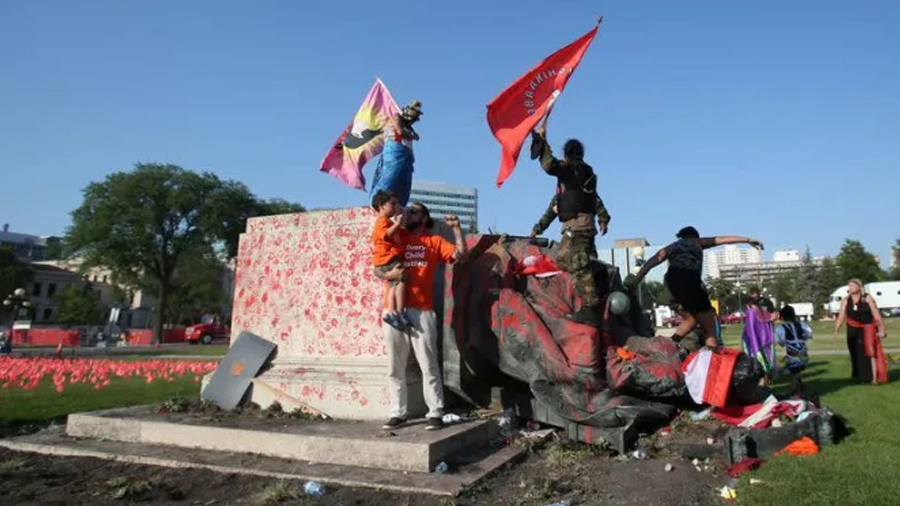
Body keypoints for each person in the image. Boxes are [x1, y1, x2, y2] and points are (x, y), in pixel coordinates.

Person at [373, 202, 468, 430]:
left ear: (425, 218)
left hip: (422, 311)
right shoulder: (396, 236)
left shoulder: (434, 241)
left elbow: (460, 255)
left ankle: (435, 411)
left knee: (428, 363)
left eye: (414, 211)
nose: (408, 213)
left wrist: (456, 229)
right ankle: (398, 412)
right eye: (407, 210)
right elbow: (377, 267)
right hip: (393, 309)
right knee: (395, 366)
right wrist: (389, 273)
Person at [625, 227, 763, 349]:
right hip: (690, 283)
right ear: (695, 236)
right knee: (709, 325)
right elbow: (722, 239)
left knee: (690, 319)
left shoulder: (672, 247)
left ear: (681, 236)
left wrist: (635, 282)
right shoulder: (697, 242)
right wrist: (748, 239)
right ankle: (712, 361)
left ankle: (671, 345)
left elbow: (652, 262)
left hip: (671, 287)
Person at [530, 114, 609, 326]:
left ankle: (591, 307)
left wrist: (542, 141)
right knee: (564, 259)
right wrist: (538, 228)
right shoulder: (579, 179)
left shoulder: (574, 170)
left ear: (567, 155)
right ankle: (597, 271)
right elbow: (557, 207)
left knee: (578, 265)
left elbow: (548, 165)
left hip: (578, 227)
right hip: (578, 226)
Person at [833, 279, 888, 384]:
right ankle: (857, 375)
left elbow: (876, 314)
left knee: (867, 351)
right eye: (849, 286)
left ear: (859, 287)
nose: (850, 288)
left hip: (867, 327)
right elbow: (841, 316)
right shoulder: (846, 300)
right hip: (852, 328)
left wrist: (882, 328)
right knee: (854, 351)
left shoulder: (867, 298)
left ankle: (869, 376)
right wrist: (837, 329)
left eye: (853, 285)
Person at [370, 101, 423, 207]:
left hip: (406, 157)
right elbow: (400, 132)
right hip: (394, 153)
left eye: (414, 119)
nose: (411, 121)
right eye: (411, 117)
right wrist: (411, 135)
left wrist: (410, 134)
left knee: (403, 186)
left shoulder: (408, 126)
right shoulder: (396, 117)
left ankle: (399, 207)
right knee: (388, 180)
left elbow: (416, 136)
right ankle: (379, 204)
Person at [370, 189, 410, 330]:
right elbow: (387, 235)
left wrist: (400, 220)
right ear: (381, 206)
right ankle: (399, 311)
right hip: (388, 258)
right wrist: (397, 224)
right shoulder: (382, 221)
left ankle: (392, 313)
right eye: (392, 204)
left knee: (394, 286)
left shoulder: (386, 221)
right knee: (401, 281)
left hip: (386, 259)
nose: (395, 207)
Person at [529, 192, 612, 257]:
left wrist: (603, 221)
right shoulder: (560, 196)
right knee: (568, 260)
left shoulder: (587, 192)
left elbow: (598, 205)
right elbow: (549, 215)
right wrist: (536, 230)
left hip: (584, 232)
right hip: (572, 232)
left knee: (588, 260)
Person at [743, 288, 778, 384]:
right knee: (766, 358)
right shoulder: (764, 313)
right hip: (766, 339)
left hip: (756, 341)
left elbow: (751, 330)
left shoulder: (751, 313)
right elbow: (774, 316)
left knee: (758, 359)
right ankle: (766, 378)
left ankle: (762, 380)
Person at [776, 304, 813, 391]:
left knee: (794, 371)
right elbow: (809, 334)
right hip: (802, 349)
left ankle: (795, 390)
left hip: (792, 350)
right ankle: (799, 386)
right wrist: (802, 338)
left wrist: (784, 343)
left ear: (782, 317)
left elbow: (781, 340)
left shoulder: (782, 327)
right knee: (797, 370)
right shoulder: (801, 324)